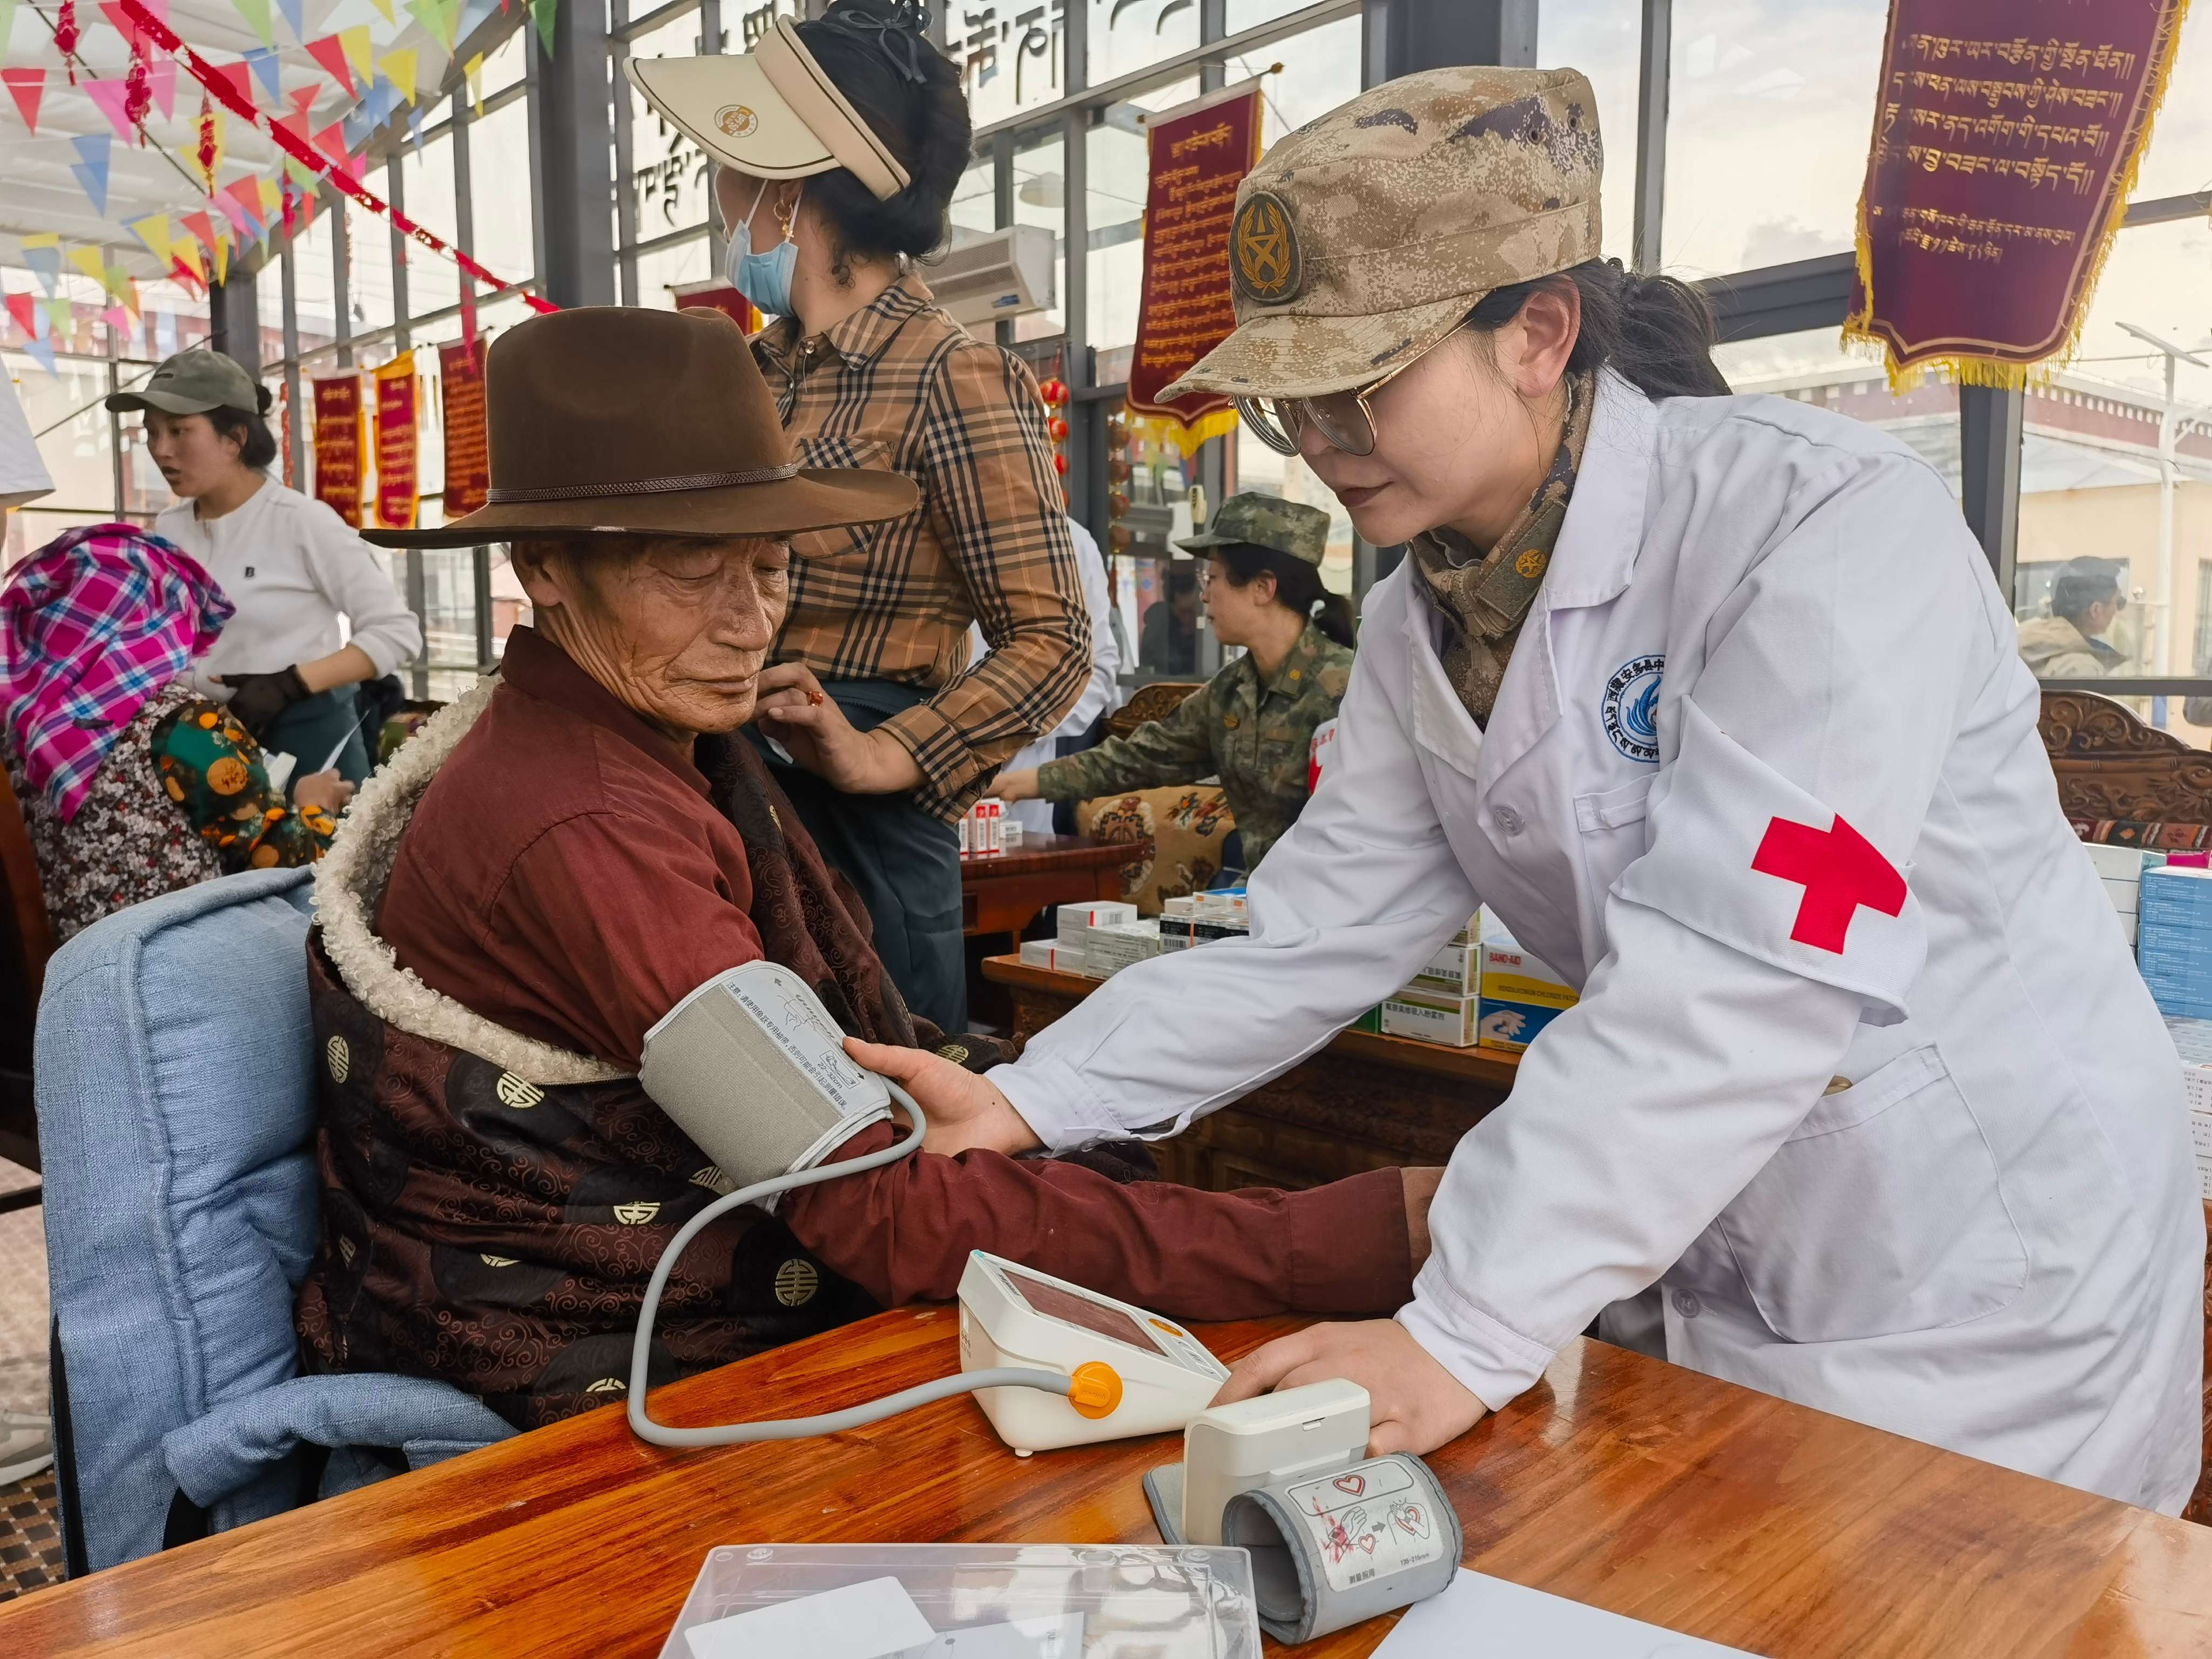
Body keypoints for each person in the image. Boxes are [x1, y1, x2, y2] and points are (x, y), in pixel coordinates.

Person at [869, 66, 2204, 1514]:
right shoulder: (1415, 619)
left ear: (1539, 335)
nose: (1318, 439)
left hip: (1980, 1261)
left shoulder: (1816, 527)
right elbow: (1313, 938)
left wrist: (1459, 1331)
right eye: (1286, 406)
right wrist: (1032, 1098)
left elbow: (1746, 970)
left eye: (1360, 383)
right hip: (1708, 1211)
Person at [295, 305, 1437, 1426]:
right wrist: (1336, 1240)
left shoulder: (642, 745)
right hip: (607, 1355)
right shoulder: (590, 825)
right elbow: (872, 1210)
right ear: (545, 568)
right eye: (694, 575)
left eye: (771, 569)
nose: (749, 624)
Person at [629, 1, 1090, 1034]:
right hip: (729, 795)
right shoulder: (750, 372)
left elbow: (1053, 639)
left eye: (732, 167)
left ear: (789, 188)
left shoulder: (951, 373)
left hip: (864, 832)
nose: (720, 191)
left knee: (882, 1121)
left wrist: (892, 758)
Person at [0, 524, 350, 943]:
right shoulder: (182, 724)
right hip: (170, 968)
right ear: (155, 619)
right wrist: (316, 806)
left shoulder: (18, 725)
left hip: (68, 973)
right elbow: (286, 860)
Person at [106, 349, 423, 786]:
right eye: (152, 432)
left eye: (179, 431)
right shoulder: (168, 530)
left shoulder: (301, 521)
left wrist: (289, 684)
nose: (162, 450)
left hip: (310, 740)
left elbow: (398, 632)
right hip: (206, 749)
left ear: (234, 438)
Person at [998, 494, 1356, 879]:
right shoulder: (1232, 692)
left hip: (1338, 902)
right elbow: (1142, 757)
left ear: (1262, 588)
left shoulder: (1345, 689)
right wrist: (1015, 783)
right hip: (1266, 900)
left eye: (1213, 578)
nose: (1203, 594)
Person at [981, 516, 1123, 842]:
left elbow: (1097, 668)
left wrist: (1023, 728)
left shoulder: (1070, 540)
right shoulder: (913, 529)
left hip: (1016, 787)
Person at [2017, 557, 2129, 679]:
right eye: (2118, 601)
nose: (2117, 610)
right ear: (2096, 610)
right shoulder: (2083, 668)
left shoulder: (2021, 640)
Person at [1139, 564, 1201, 676]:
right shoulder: (1158, 631)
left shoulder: (1203, 635)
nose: (1187, 619)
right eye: (1183, 613)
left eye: (1191, 613)